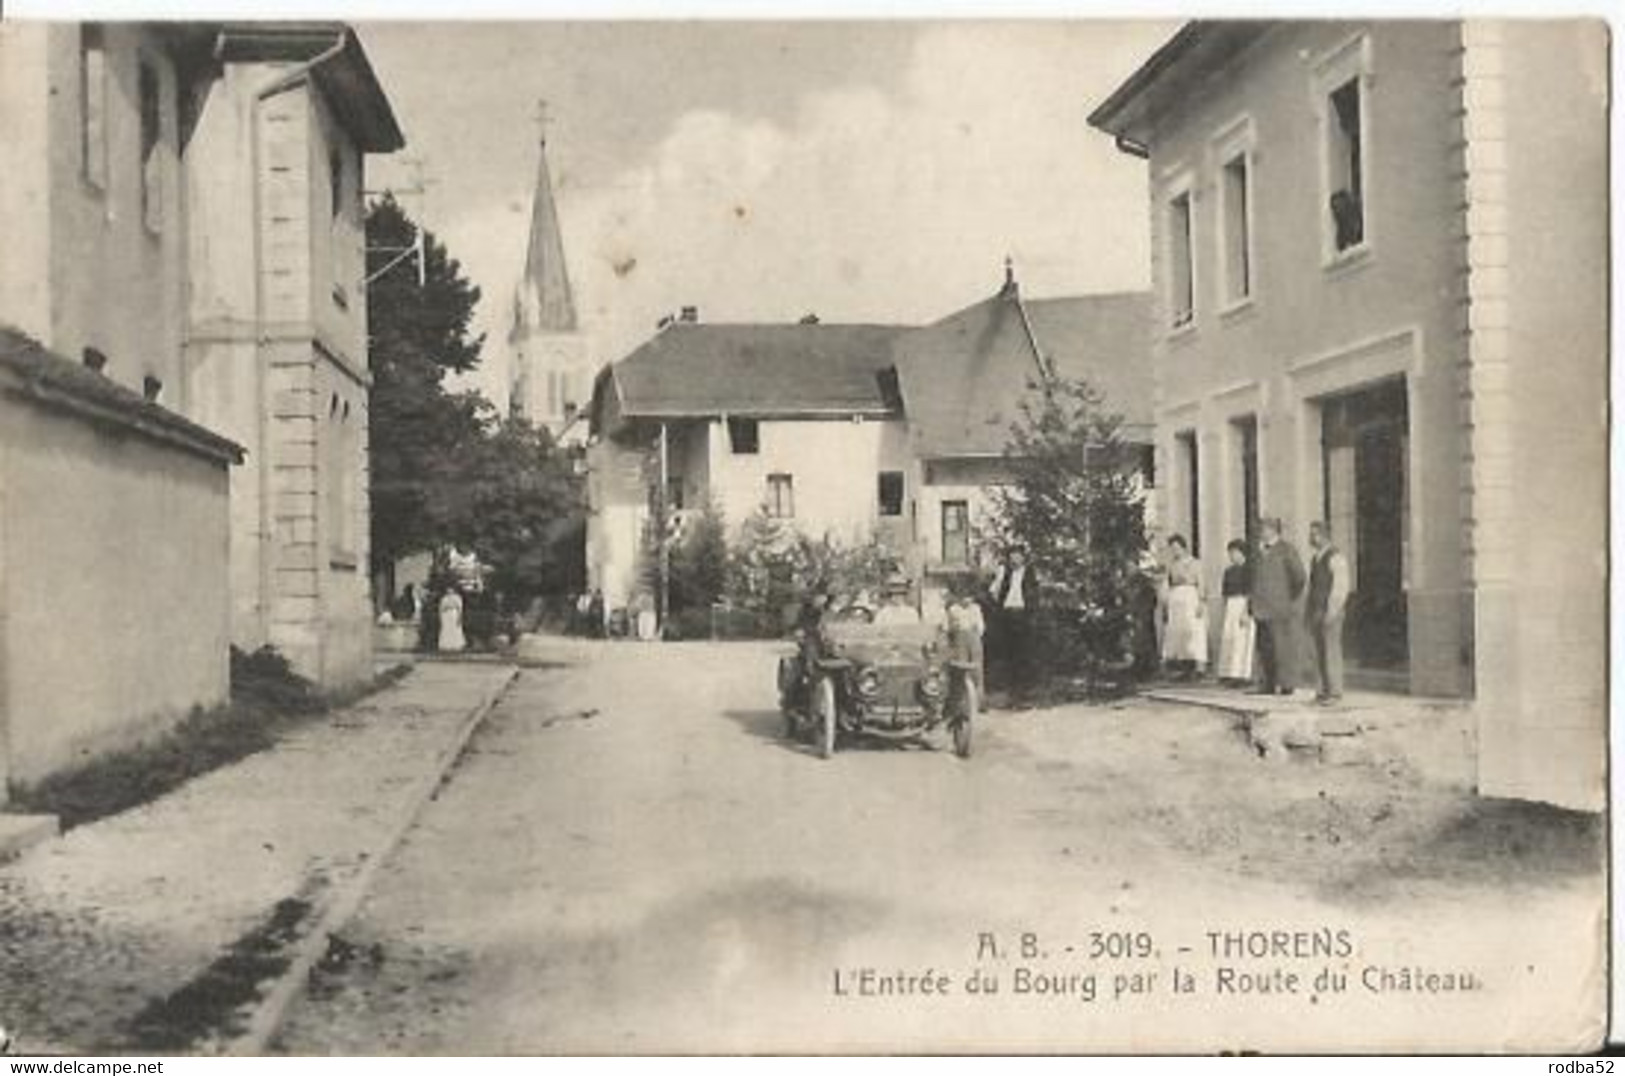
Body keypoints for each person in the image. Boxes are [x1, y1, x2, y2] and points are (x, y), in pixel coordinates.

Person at [1249, 517, 1307, 696]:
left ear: (1274, 530)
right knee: (1264, 648)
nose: (1261, 532)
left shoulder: (1287, 550)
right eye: (1260, 528)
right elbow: (1252, 579)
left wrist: (1287, 598)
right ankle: (1267, 684)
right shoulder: (1257, 551)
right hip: (1260, 608)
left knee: (1282, 648)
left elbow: (1299, 577)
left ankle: (1287, 684)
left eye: (1264, 528)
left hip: (1280, 608)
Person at [1306, 521, 1350, 705]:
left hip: (1330, 609)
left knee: (1331, 650)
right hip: (1315, 609)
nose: (1312, 538)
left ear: (1325, 536)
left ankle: (1335, 692)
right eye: (1312, 534)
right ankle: (1322, 690)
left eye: (1316, 535)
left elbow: (1341, 587)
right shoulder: (1316, 558)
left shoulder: (1336, 557)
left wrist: (1332, 610)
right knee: (1318, 651)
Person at [987, 548, 1039, 688]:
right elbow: (993, 591)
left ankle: (1024, 691)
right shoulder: (1005, 574)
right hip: (1007, 615)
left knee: (1023, 654)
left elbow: (1034, 596)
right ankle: (1012, 690)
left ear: (1023, 558)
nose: (1014, 560)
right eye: (1011, 557)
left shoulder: (1029, 574)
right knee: (1009, 654)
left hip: (1022, 615)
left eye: (1017, 557)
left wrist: (1031, 615)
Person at [1159, 534, 1207, 679]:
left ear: (1183, 547)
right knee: (1179, 633)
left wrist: (1201, 602)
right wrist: (1165, 604)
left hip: (1190, 597)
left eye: (1177, 548)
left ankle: (1199, 667)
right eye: (1172, 549)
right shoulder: (1172, 565)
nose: (1175, 551)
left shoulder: (1195, 563)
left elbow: (1201, 583)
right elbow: (1167, 584)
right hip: (1176, 599)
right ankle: (1183, 667)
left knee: (1194, 630)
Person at [1216, 539, 1256, 686]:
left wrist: (1246, 611)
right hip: (1231, 606)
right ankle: (1229, 673)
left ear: (1241, 552)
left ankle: (1242, 674)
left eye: (1234, 552)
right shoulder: (1228, 571)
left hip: (1243, 605)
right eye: (1230, 553)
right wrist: (1225, 610)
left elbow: (1251, 592)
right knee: (1230, 639)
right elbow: (1225, 594)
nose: (1231, 556)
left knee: (1242, 640)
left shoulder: (1250, 569)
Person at [945, 581, 987, 693]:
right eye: (963, 597)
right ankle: (961, 698)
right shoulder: (953, 609)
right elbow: (948, 627)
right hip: (959, 639)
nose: (966, 600)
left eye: (969, 597)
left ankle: (979, 699)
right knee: (961, 668)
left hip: (974, 638)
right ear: (958, 597)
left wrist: (976, 632)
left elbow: (981, 625)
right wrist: (955, 629)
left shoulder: (976, 608)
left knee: (977, 668)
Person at [438, 587, 467, 653]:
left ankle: (456, 645)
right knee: (446, 629)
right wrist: (441, 616)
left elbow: (460, 608)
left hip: (454, 614)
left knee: (455, 629)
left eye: (451, 591)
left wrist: (459, 617)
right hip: (446, 615)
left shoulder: (457, 598)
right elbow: (441, 608)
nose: (449, 592)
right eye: (448, 591)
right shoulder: (444, 599)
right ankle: (446, 645)